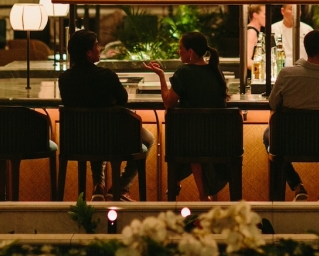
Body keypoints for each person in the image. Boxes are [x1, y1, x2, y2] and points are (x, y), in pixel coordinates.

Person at [59, 30, 155, 201]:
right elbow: (123, 99)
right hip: (112, 139)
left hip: (78, 140)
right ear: (88, 52)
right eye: (96, 45)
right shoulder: (107, 76)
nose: (100, 48)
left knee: (95, 133)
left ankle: (98, 185)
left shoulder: (64, 79)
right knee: (148, 139)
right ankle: (121, 187)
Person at [265, 29, 319, 201]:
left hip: (289, 145)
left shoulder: (286, 75)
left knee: (269, 135)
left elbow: (272, 103)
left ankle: (296, 186)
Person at [145, 31, 229, 200]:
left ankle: (188, 187)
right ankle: (200, 193)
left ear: (190, 52)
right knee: (194, 136)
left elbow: (168, 102)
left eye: (180, 48)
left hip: (191, 143)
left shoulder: (184, 72)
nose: (178, 52)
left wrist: (161, 76)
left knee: (189, 140)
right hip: (221, 141)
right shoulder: (215, 71)